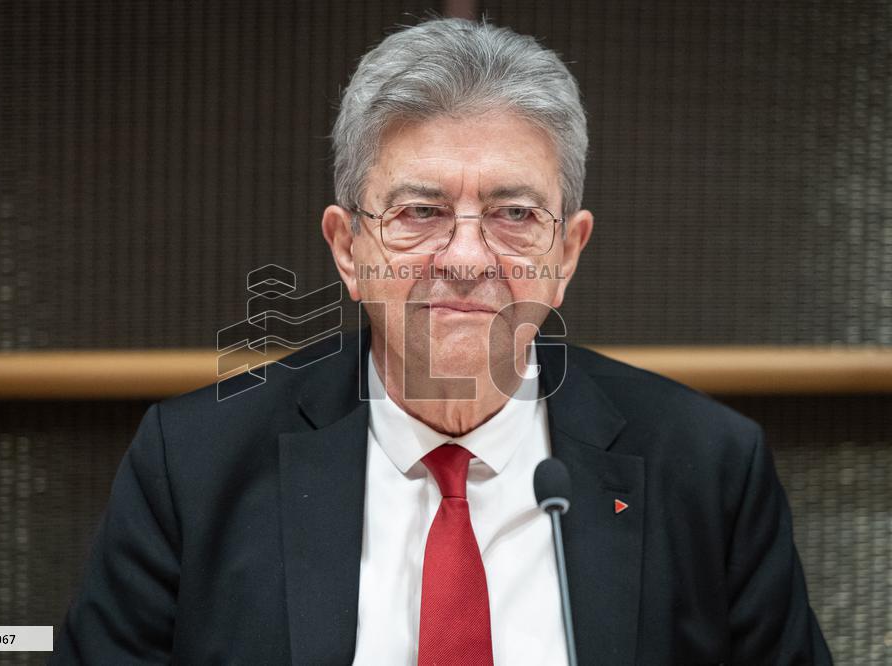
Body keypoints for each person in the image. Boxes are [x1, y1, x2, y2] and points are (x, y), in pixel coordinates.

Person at [51, 17, 831, 665]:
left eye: (514, 214)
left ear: (567, 255)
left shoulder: (709, 469)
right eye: (420, 212)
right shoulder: (192, 466)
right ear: (348, 249)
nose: (464, 258)